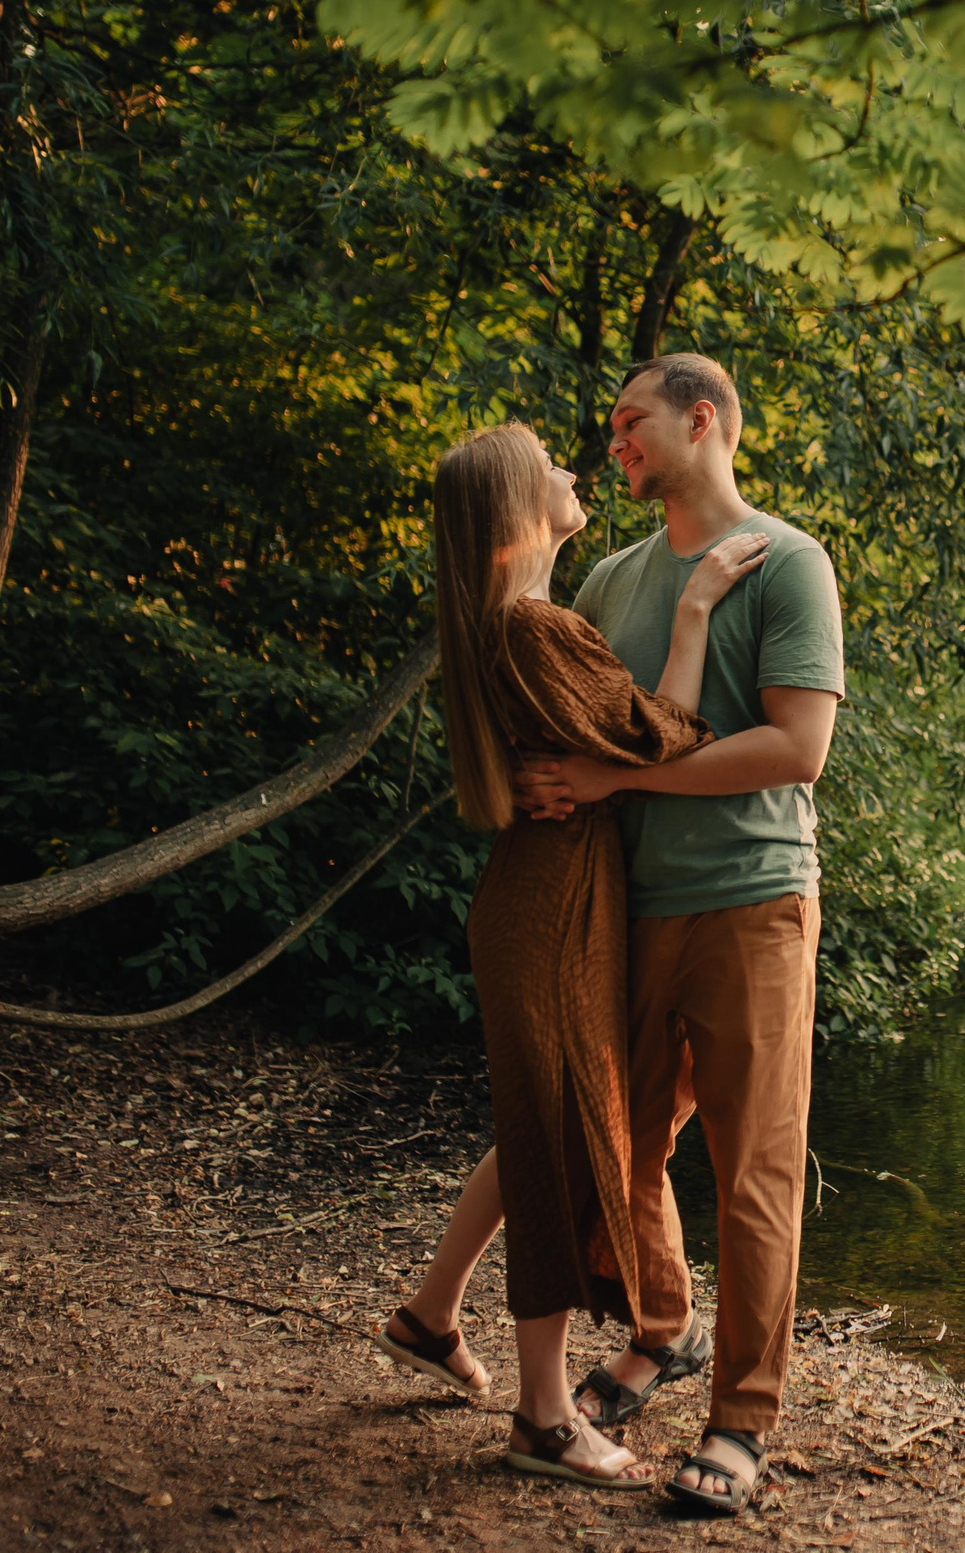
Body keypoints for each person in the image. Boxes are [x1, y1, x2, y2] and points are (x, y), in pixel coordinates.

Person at [372, 423, 768, 1492]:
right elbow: (663, 735)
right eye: (550, 465)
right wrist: (693, 611)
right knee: (554, 1141)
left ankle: (431, 1314)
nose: (571, 473)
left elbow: (624, 746)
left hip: (549, 902)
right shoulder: (533, 630)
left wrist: (608, 767)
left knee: (545, 1125)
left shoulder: (524, 625)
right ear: (515, 516)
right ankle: (544, 1417)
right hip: (552, 912)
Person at [513, 352, 843, 1516]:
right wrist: (555, 784)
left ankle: (741, 1423)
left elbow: (795, 751)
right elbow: (587, 721)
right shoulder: (608, 580)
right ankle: (663, 1333)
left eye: (629, 422)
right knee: (623, 1147)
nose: (614, 444)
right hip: (630, 910)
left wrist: (608, 779)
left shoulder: (788, 565)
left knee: (752, 1172)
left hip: (755, 900)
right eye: (608, 429)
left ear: (701, 421)